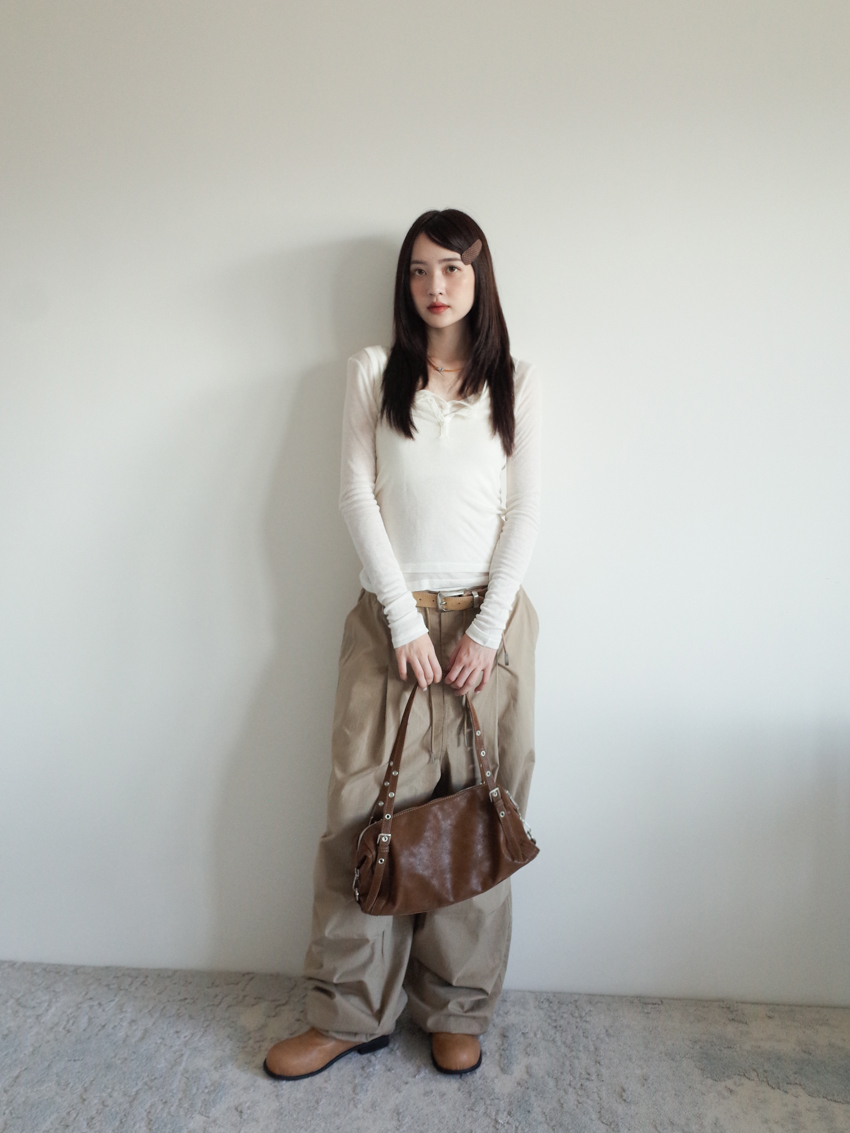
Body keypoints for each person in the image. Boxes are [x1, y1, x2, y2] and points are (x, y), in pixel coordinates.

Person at [264, 209, 541, 1080]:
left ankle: (457, 1007)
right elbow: (357, 496)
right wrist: (405, 620)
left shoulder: (516, 381)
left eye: (452, 268)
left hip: (491, 626)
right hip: (391, 623)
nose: (435, 286)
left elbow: (525, 511)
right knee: (362, 812)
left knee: (477, 812)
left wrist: (485, 632)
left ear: (478, 276)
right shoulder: (372, 372)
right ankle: (349, 1013)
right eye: (420, 269)